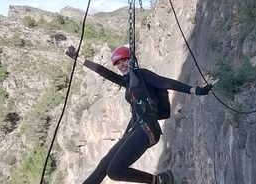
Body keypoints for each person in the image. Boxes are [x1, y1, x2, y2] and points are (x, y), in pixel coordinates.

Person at [65, 45, 218, 184]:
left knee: (114, 171)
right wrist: (78, 58)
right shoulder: (126, 82)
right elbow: (102, 71)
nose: (121, 65)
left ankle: (158, 181)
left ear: (130, 60)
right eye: (118, 63)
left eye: (124, 60)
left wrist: (196, 90)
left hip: (148, 126)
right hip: (136, 127)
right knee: (104, 164)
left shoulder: (143, 75)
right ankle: (159, 180)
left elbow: (166, 83)